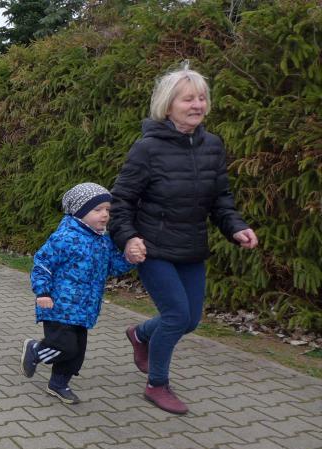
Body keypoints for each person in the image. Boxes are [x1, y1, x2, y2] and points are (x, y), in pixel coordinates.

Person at [109, 67, 258, 415]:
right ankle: (157, 384)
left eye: (202, 98)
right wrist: (128, 238)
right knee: (176, 316)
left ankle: (140, 334)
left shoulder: (212, 146)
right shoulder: (147, 148)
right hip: (153, 247)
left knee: (190, 320)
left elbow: (221, 199)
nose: (197, 105)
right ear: (168, 105)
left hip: (191, 246)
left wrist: (236, 227)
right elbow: (122, 200)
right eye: (188, 99)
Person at [21, 183, 137, 404]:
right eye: (97, 209)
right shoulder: (65, 237)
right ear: (79, 211)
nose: (105, 215)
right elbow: (43, 264)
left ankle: (58, 384)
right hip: (58, 305)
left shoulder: (103, 240)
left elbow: (112, 267)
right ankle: (35, 349)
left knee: (76, 353)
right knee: (64, 346)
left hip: (84, 309)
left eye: (107, 209)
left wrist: (130, 259)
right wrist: (42, 292)